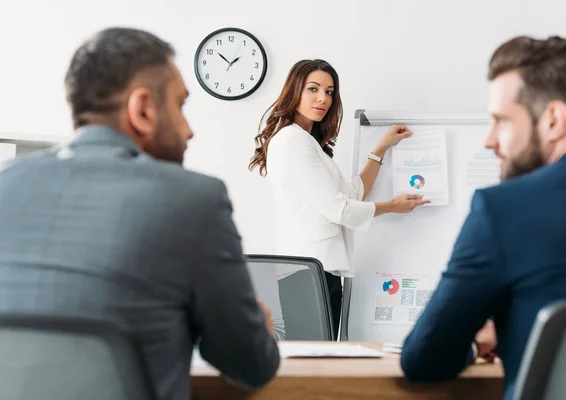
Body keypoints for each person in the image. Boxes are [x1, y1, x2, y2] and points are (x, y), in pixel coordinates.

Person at [0, 27, 279, 400]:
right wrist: (256, 328)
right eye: (180, 106)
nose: (189, 130)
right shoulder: (194, 199)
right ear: (143, 110)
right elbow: (250, 365)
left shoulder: (6, 182)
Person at [400, 35, 566, 399]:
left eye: (501, 121)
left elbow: (424, 360)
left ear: (554, 119)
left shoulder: (503, 210)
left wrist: (480, 340)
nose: (490, 141)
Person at [249, 59, 429, 339]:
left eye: (330, 92)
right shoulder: (292, 140)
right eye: (313, 89)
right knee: (315, 363)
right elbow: (340, 209)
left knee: (320, 358)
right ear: (294, 91)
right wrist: (392, 207)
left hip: (316, 271)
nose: (323, 98)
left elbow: (353, 194)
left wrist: (381, 148)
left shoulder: (308, 143)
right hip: (309, 271)